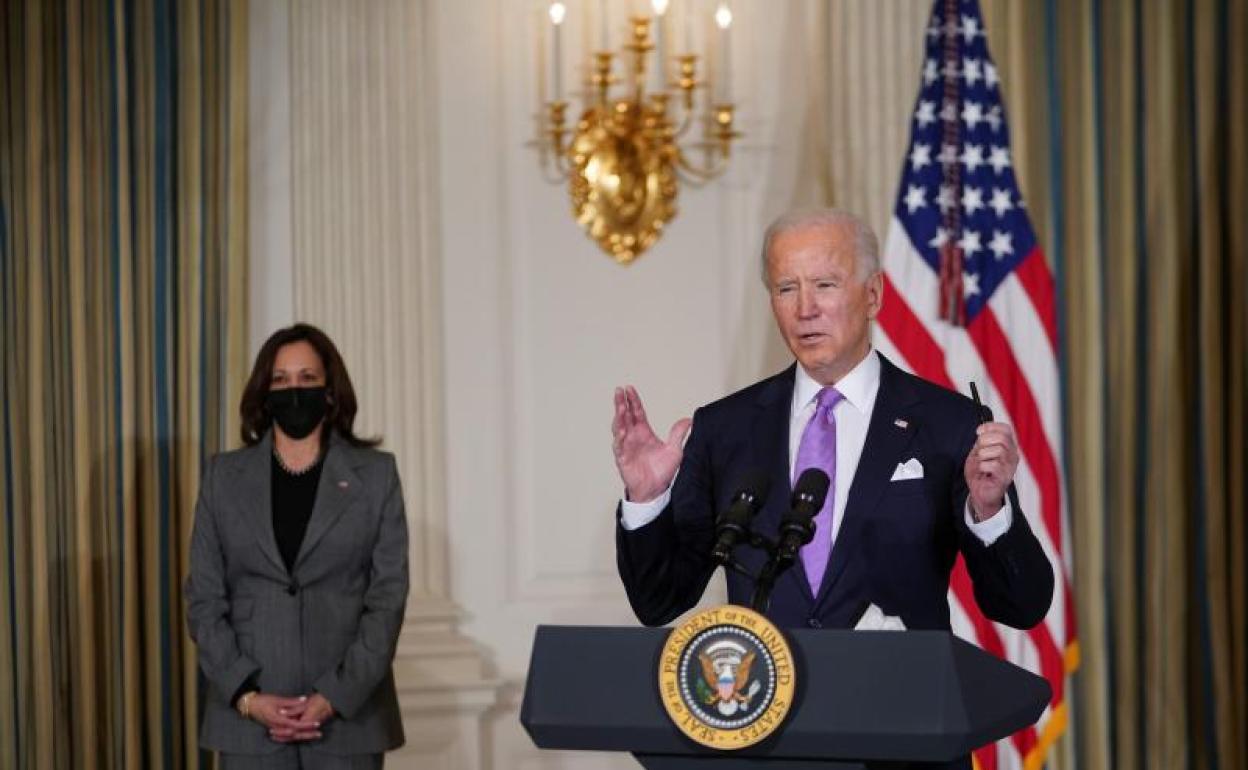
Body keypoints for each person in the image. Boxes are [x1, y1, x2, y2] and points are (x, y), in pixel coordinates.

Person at [612, 209, 1053, 637]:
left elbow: (1021, 606)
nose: (805, 308)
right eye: (787, 288)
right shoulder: (724, 428)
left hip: (898, 686)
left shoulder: (949, 423)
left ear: (873, 295)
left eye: (825, 285)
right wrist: (647, 500)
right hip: (770, 686)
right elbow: (659, 601)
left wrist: (989, 511)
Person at [186, 323, 408, 769]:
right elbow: (204, 599)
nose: (294, 390)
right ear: (263, 392)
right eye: (280, 379)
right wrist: (247, 697)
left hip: (348, 723)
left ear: (330, 391)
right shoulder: (222, 477)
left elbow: (387, 599)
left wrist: (335, 695)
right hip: (248, 724)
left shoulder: (376, 476)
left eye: (307, 378)